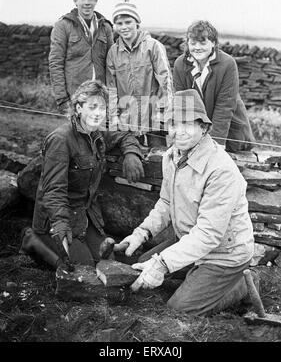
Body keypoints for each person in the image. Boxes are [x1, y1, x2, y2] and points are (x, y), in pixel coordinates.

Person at [114, 89, 255, 316]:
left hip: (224, 253)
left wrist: (162, 264)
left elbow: (209, 234)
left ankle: (241, 285)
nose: (178, 132)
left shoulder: (221, 170)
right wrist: (141, 233)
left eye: (187, 124)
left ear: (204, 127)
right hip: (191, 240)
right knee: (143, 262)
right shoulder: (172, 156)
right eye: (173, 124)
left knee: (179, 309)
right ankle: (197, 276)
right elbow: (166, 201)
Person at [20, 80, 144, 269]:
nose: (98, 113)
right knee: (82, 268)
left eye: (102, 108)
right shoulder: (61, 140)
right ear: (78, 108)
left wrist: (132, 154)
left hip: (84, 215)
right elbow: (53, 191)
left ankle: (83, 246)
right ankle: (34, 240)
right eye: (92, 107)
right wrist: (60, 228)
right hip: (56, 218)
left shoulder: (97, 133)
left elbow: (125, 135)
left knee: (107, 263)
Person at [172, 20, 255, 152]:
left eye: (203, 42)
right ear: (187, 43)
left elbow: (225, 106)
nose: (197, 47)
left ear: (214, 43)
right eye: (193, 43)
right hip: (197, 130)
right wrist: (185, 138)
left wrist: (217, 143)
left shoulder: (227, 64)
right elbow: (183, 104)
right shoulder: (180, 64)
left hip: (229, 132)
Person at [106, 0, 173, 144]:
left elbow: (166, 81)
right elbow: (111, 88)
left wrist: (165, 113)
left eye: (128, 22)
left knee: (158, 157)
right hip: (127, 118)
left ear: (137, 23)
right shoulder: (113, 53)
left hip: (154, 116)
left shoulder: (153, 46)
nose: (124, 27)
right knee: (131, 157)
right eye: (119, 23)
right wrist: (113, 116)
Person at [49, 0, 114, 114]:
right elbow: (56, 63)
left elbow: (112, 64)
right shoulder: (63, 26)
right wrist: (62, 98)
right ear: (75, 0)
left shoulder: (105, 27)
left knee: (99, 134)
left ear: (96, 1)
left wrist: (111, 96)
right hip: (75, 96)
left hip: (100, 97)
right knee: (76, 133)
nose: (87, 2)